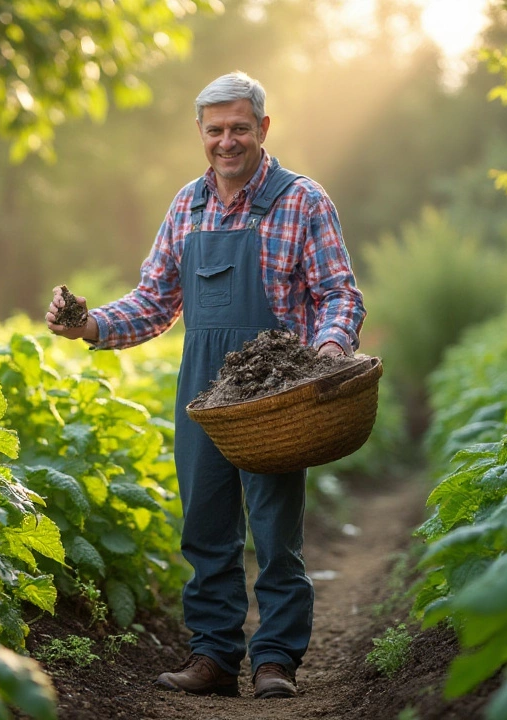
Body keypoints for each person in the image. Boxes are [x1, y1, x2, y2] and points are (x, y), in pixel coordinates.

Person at [44, 71, 365, 699]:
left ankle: (275, 659)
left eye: (239, 128)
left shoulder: (303, 201)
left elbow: (338, 294)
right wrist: (87, 325)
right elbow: (155, 301)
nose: (227, 141)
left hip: (276, 391)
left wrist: (326, 352)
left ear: (263, 129)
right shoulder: (187, 206)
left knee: (275, 533)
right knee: (206, 528)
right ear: (200, 133)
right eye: (215, 130)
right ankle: (215, 658)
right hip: (204, 390)